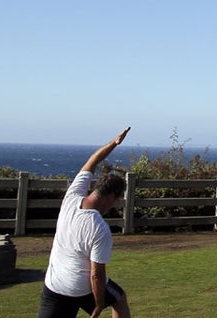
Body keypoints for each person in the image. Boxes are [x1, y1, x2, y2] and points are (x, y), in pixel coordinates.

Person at [37, 127, 132, 318]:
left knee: (118, 298)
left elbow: (92, 161)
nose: (114, 205)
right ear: (111, 196)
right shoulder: (99, 228)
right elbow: (96, 274)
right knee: (119, 300)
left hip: (55, 286)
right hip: (81, 288)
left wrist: (114, 143)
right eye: (116, 200)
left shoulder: (71, 196)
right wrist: (98, 304)